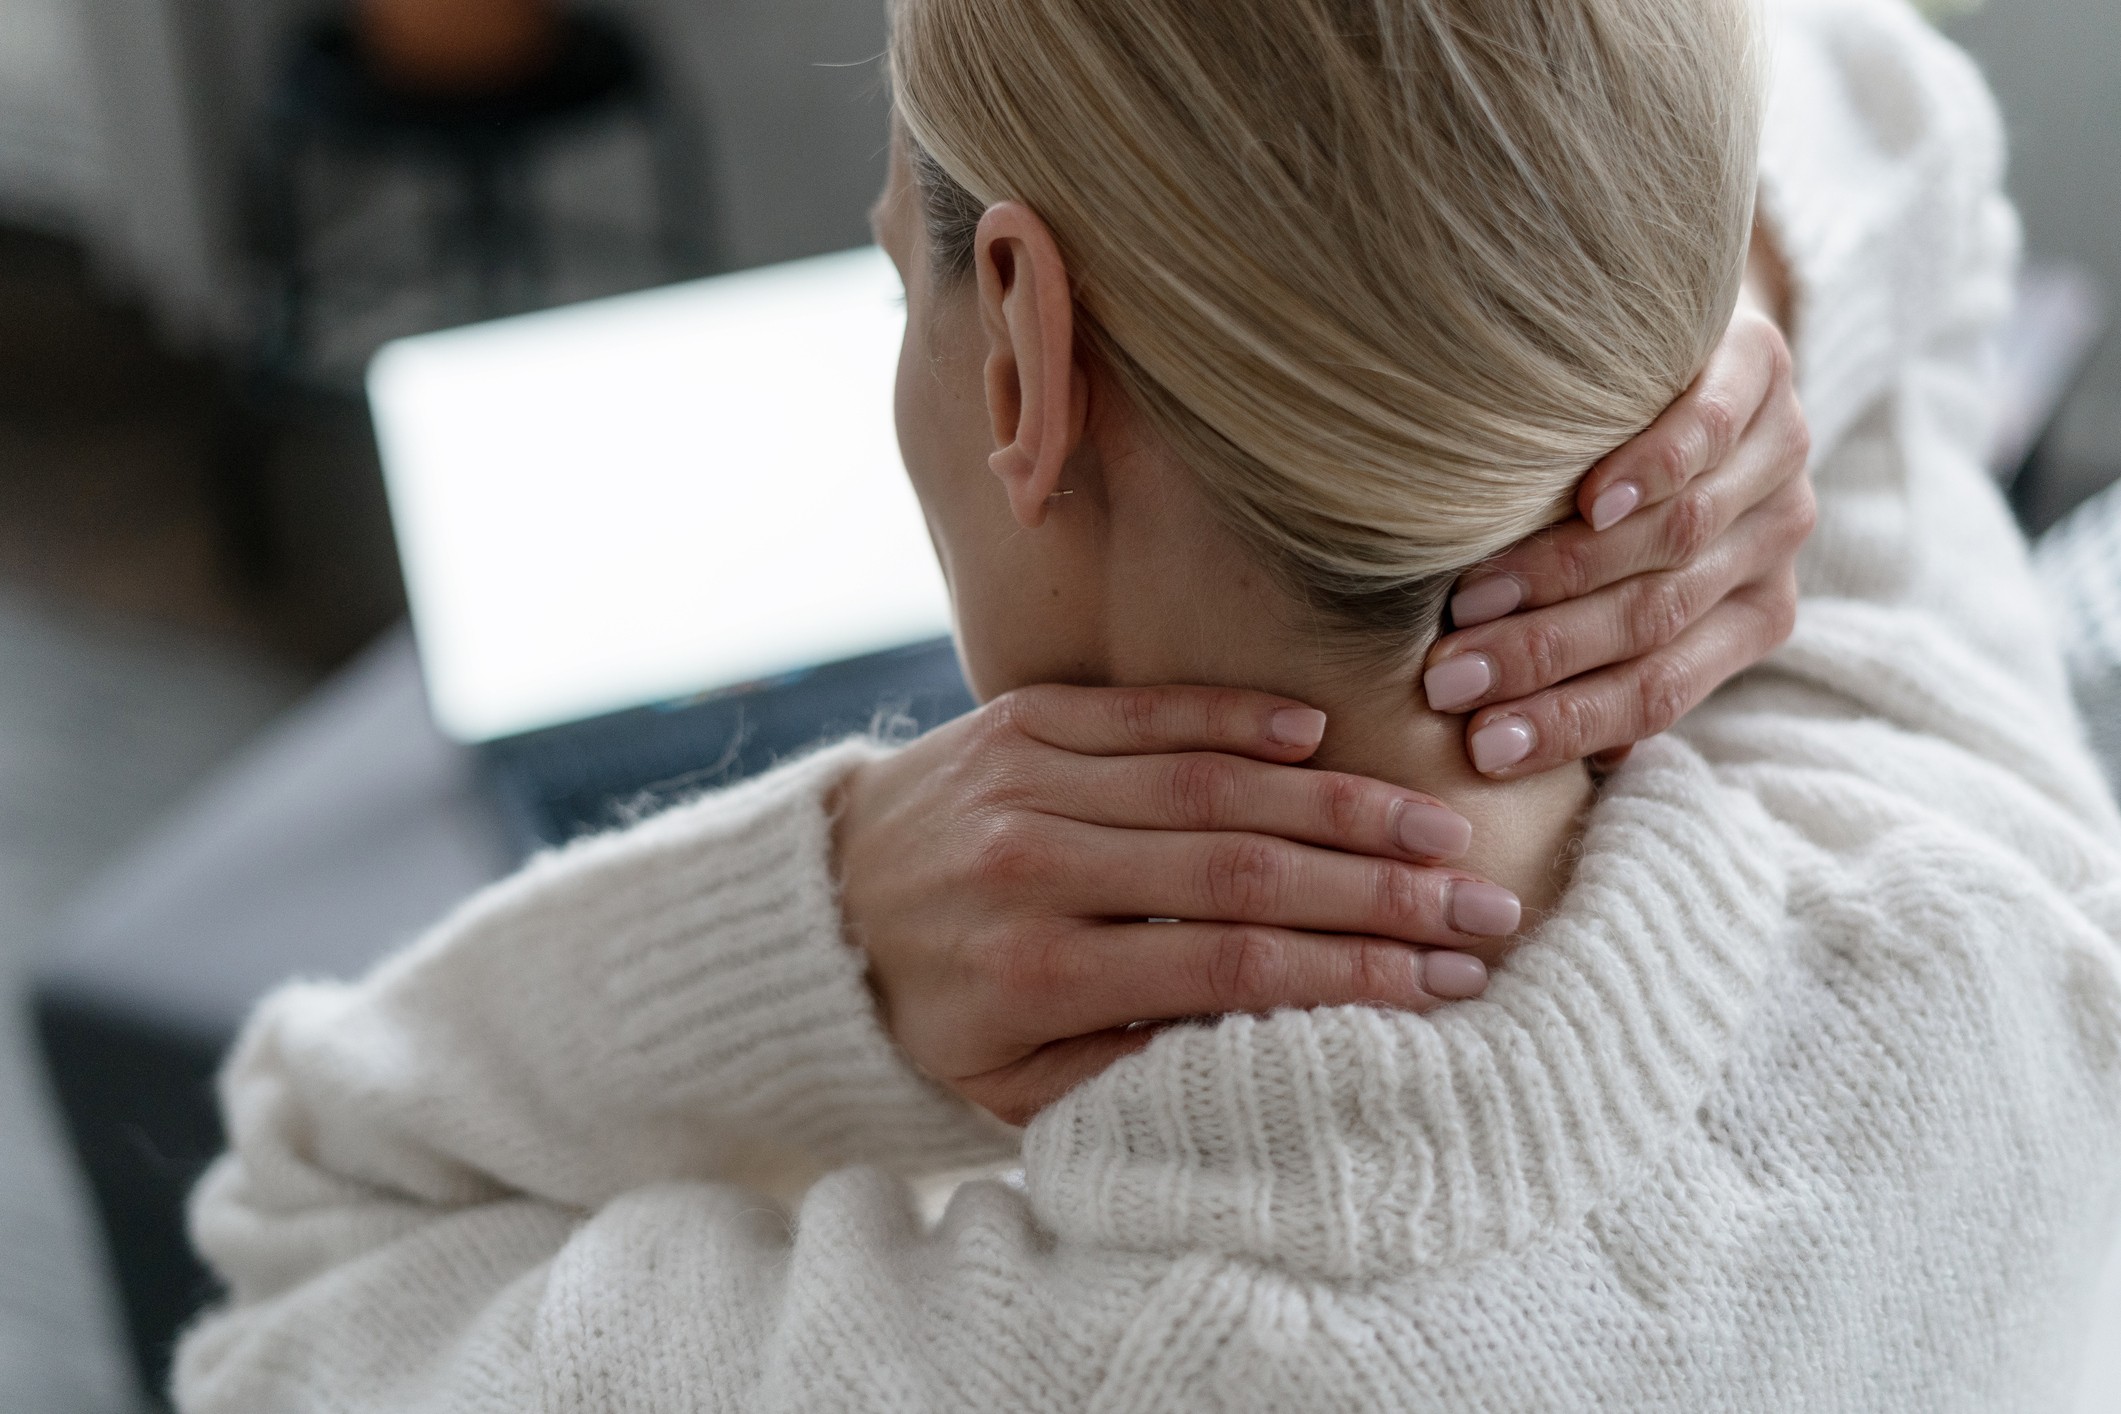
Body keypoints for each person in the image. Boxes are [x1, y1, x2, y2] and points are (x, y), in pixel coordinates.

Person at [173, 0, 2121, 1408]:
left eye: (896, 281)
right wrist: (1713, 339)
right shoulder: (1988, 929)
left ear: (1020, 347)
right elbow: (1901, 132)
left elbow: (305, 1229)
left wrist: (811, 936)